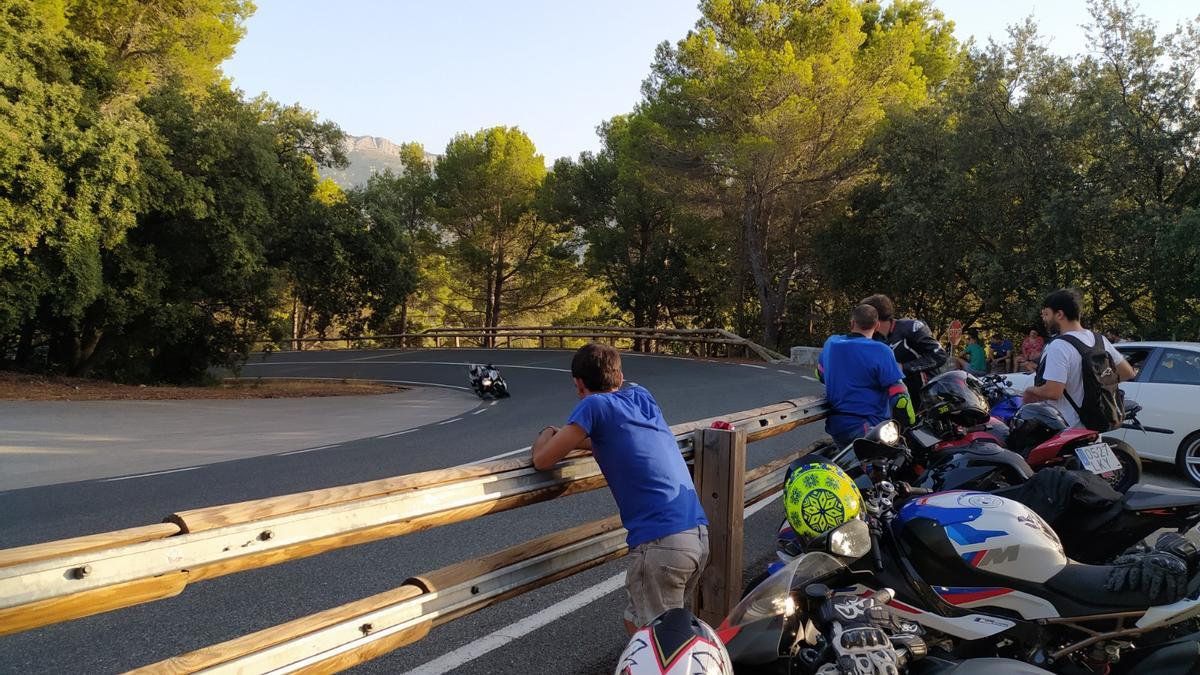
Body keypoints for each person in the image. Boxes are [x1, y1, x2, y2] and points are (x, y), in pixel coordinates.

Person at [532, 343, 708, 634]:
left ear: (578, 384)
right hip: (697, 536)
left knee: (657, 643)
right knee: (648, 625)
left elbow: (543, 459)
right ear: (621, 376)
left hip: (661, 543)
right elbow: (606, 439)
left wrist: (547, 433)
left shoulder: (593, 405)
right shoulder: (641, 397)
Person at [1022, 289, 1135, 429]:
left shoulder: (1059, 345)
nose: (1044, 319)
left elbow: (1053, 392)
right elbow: (1127, 372)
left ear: (1059, 314)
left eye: (1046, 314)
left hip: (1066, 427)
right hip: (1094, 424)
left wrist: (1029, 391)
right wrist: (1097, 384)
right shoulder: (1099, 340)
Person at [816, 304, 915, 447]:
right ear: (877, 326)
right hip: (868, 428)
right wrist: (909, 424)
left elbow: (820, 374)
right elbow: (899, 396)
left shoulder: (831, 343)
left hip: (837, 426)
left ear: (852, 323)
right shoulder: (881, 351)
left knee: (848, 466)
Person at [860, 294, 949, 405]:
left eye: (864, 315)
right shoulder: (871, 340)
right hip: (898, 401)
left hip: (929, 396)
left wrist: (903, 367)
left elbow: (940, 356)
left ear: (875, 317)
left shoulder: (911, 328)